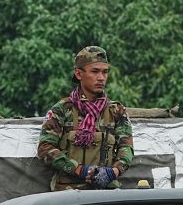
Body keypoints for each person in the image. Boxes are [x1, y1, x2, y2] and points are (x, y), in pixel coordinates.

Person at [37, 46, 134, 192]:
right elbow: (45, 149)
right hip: (68, 192)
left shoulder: (116, 111)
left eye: (105, 72)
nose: (101, 77)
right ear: (78, 74)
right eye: (95, 71)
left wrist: (112, 172)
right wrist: (80, 170)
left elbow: (126, 148)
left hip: (105, 191)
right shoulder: (62, 110)